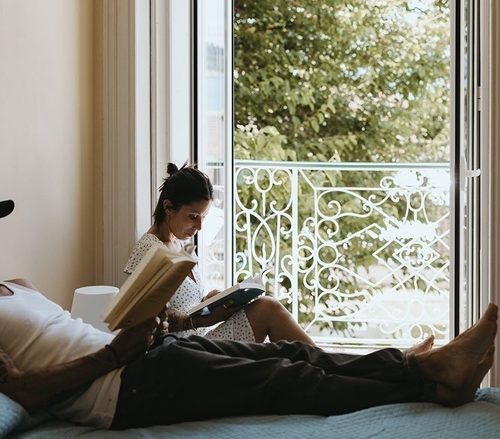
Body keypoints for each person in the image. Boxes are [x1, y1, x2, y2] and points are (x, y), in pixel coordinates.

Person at [0, 199, 497, 430]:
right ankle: (432, 382)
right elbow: (24, 390)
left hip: (144, 354)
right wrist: (114, 353)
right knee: (289, 378)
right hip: (122, 387)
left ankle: (419, 368)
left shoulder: (15, 285)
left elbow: (65, 330)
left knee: (288, 351)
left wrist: (139, 332)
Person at [124, 162, 316, 345]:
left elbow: (181, 302)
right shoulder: (148, 251)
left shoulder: (177, 244)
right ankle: (331, 366)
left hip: (201, 337)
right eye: (193, 217)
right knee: (268, 309)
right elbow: (148, 321)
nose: (199, 226)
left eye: (203, 217)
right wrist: (197, 321)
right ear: (168, 207)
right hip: (183, 348)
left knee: (267, 307)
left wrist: (210, 301)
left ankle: (328, 367)